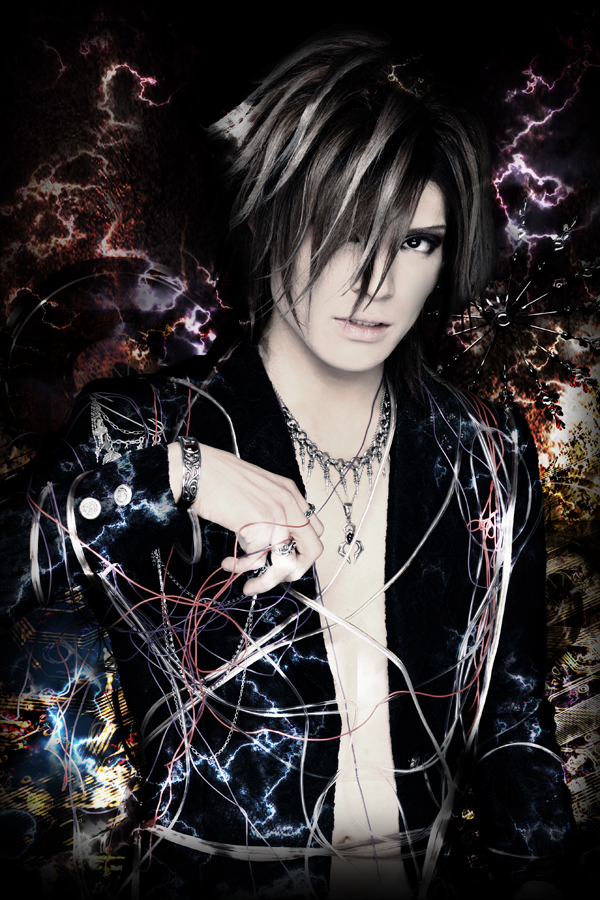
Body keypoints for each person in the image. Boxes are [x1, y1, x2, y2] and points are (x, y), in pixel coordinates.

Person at [1, 29, 574, 900]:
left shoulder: (486, 453)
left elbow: (516, 733)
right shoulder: (144, 428)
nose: (376, 284)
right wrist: (177, 477)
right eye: (343, 233)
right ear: (271, 220)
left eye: (417, 242)